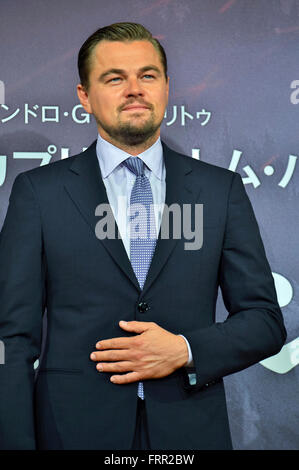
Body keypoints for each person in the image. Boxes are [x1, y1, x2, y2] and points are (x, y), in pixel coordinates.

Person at [0, 22, 286, 450]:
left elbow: (264, 321)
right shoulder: (40, 193)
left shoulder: (218, 190)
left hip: (190, 431)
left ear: (166, 87)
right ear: (84, 96)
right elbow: (11, 339)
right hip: (69, 432)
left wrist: (185, 349)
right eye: (114, 78)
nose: (134, 89)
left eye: (147, 75)